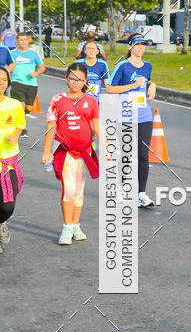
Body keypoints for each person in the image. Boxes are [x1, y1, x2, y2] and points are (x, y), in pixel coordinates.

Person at [42, 63, 99, 245]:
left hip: (85, 151)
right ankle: (67, 227)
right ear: (67, 78)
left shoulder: (91, 101)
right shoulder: (57, 99)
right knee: (69, 189)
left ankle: (75, 225)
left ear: (85, 81)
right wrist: (46, 150)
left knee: (80, 191)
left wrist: (107, 147)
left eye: (80, 79)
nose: (76, 82)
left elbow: (96, 126)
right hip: (65, 151)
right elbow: (50, 125)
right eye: (72, 78)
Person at [106, 34, 156, 208]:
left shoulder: (148, 66)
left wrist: (152, 85)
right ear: (130, 47)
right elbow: (110, 88)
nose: (141, 48)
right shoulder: (123, 66)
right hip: (126, 113)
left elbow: (147, 82)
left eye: (143, 45)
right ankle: (119, 189)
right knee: (126, 154)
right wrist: (133, 86)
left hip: (144, 114)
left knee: (143, 155)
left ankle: (141, 193)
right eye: (137, 45)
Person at [0, 67, 25, 252]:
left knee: (8, 205)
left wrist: (16, 134)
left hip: (8, 160)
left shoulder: (14, 104)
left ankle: (1, 221)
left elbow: (19, 125)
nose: (1, 82)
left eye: (3, 79)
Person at [9, 31, 46, 138]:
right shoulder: (12, 53)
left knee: (28, 108)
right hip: (17, 83)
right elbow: (8, 67)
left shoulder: (34, 54)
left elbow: (42, 67)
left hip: (31, 84)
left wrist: (36, 73)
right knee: (21, 106)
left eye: (25, 40)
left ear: (28, 41)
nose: (23, 42)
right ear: (17, 41)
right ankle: (22, 128)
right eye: (21, 40)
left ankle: (18, 118)